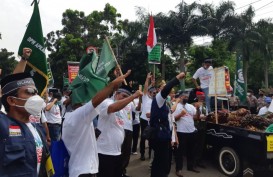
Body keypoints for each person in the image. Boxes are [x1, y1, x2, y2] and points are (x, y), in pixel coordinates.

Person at [62, 71, 131, 177]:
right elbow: (96, 101)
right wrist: (112, 85)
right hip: (83, 172)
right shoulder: (78, 116)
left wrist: (114, 87)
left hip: (83, 169)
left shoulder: (71, 117)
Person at [0, 72, 49, 177]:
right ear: (12, 100)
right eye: (30, 92)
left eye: (36, 92)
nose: (36, 97)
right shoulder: (3, 125)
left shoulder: (38, 129)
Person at [96, 85, 142, 177]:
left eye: (127, 97)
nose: (125, 99)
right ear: (116, 94)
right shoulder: (107, 102)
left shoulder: (121, 108)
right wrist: (132, 96)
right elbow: (112, 108)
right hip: (105, 152)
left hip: (116, 152)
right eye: (123, 96)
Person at [149, 72, 185, 177]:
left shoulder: (164, 102)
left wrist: (173, 137)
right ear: (158, 90)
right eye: (163, 87)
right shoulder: (159, 98)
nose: (167, 90)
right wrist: (177, 78)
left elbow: (170, 115)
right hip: (159, 136)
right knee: (161, 163)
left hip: (164, 136)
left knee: (161, 162)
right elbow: (166, 89)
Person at [172, 91, 199, 177]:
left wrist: (198, 109)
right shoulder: (176, 106)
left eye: (187, 97)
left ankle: (190, 166)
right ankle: (178, 169)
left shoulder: (190, 106)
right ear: (180, 97)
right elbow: (173, 119)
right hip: (181, 132)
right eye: (184, 96)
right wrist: (180, 114)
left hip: (191, 131)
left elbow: (196, 117)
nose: (186, 98)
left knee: (192, 151)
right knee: (179, 152)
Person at [139, 72, 156, 160]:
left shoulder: (155, 100)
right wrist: (147, 78)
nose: (154, 94)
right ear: (149, 92)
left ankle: (150, 154)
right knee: (143, 137)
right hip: (144, 120)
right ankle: (142, 154)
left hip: (152, 120)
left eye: (155, 93)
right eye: (153, 93)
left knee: (152, 138)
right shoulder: (145, 97)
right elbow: (145, 88)